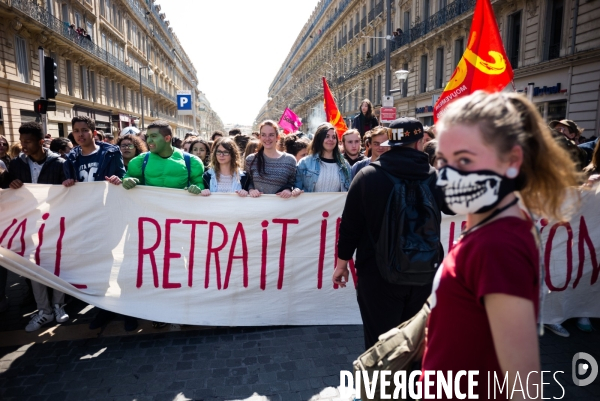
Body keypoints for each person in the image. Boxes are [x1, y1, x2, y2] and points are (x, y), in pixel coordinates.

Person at [420, 91, 579, 397]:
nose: (448, 175)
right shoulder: (490, 226)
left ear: (512, 160)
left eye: (464, 160)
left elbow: (524, 385)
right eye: (443, 160)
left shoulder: (497, 245)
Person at [333, 117, 448, 350]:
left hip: (377, 274)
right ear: (419, 143)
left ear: (389, 142)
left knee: (379, 345)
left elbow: (350, 226)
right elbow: (453, 206)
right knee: (415, 345)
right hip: (424, 273)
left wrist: (341, 263)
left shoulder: (367, 176)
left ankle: (382, 386)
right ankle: (411, 385)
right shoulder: (434, 176)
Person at [4, 122, 69, 332]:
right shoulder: (16, 164)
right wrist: (10, 184)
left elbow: (70, 191)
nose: (24, 145)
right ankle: (44, 310)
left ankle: (59, 305)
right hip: (28, 224)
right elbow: (5, 189)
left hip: (54, 223)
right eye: (22, 141)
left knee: (56, 264)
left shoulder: (59, 163)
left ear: (41, 142)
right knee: (33, 266)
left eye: (28, 142)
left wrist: (69, 184)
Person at [122, 120, 204, 193]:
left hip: (179, 208)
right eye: (148, 136)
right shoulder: (139, 161)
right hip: (149, 208)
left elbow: (200, 184)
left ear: (167, 138)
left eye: (153, 136)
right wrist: (126, 181)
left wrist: (197, 188)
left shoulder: (192, 161)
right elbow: (126, 178)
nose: (148, 140)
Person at [62, 116, 125, 187]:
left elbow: (123, 177)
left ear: (94, 133)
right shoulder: (70, 159)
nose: (80, 134)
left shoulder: (112, 153)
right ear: (73, 134)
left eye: (85, 130)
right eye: (76, 131)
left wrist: (120, 179)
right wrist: (67, 182)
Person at [245, 120, 297, 198]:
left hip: (282, 208)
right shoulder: (251, 159)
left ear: (277, 137)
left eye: (271, 135)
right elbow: (247, 182)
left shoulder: (290, 160)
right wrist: (251, 190)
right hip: (257, 207)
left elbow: (294, 183)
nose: (267, 138)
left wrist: (289, 189)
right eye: (263, 135)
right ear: (260, 137)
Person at [295, 122, 352, 193]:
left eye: (334, 137)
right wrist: (295, 190)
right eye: (327, 136)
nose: (331, 139)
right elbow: (296, 187)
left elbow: (349, 192)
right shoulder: (305, 163)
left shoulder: (345, 166)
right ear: (319, 139)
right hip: (311, 204)